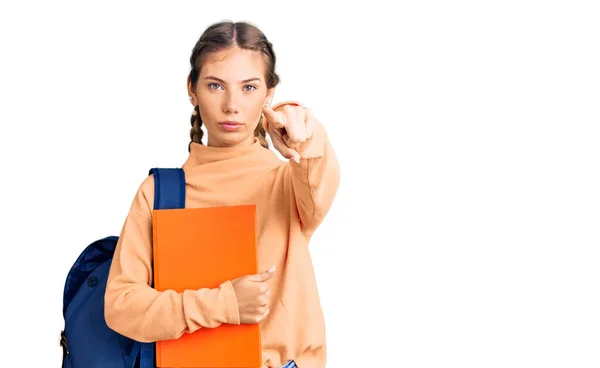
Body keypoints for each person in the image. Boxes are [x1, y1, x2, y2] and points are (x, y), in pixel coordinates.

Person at [104, 19, 340, 368]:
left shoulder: (290, 181)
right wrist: (224, 303)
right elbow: (121, 307)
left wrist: (305, 131)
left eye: (249, 87)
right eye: (216, 86)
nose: (232, 105)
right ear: (192, 89)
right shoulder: (160, 193)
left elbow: (320, 175)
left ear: (268, 94)